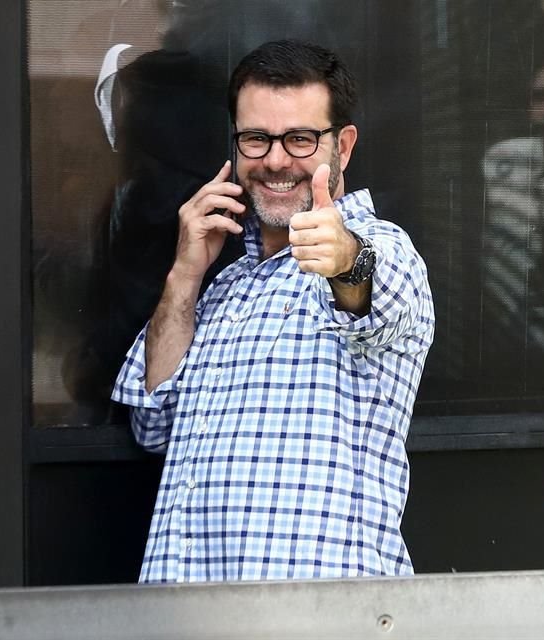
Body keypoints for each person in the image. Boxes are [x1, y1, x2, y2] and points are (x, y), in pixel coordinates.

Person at [112, 39, 435, 582]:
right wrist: (185, 276)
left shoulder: (384, 247)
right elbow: (152, 426)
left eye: (301, 139)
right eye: (257, 139)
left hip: (316, 614)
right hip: (184, 607)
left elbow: (374, 288)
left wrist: (343, 261)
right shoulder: (224, 287)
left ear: (344, 147)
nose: (276, 160)